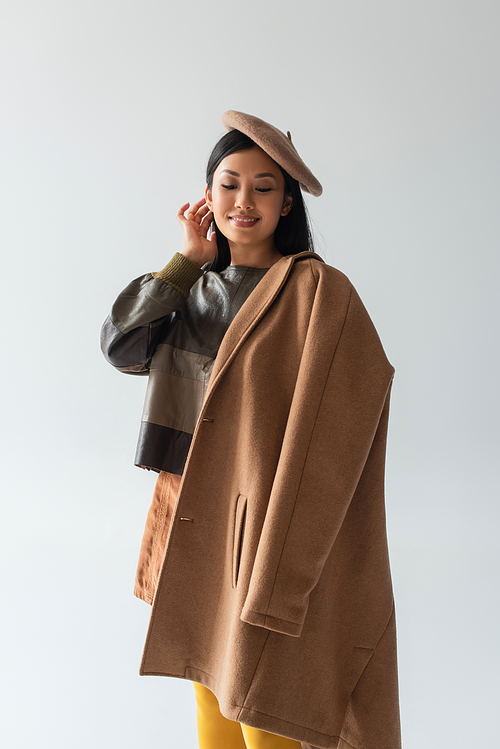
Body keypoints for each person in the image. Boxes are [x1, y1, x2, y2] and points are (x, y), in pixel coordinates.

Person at [101, 111, 402, 749]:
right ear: (207, 196)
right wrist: (186, 261)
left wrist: (288, 544)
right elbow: (122, 346)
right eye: (229, 183)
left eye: (264, 187)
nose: (245, 201)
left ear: (287, 200)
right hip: (187, 506)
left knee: (266, 702)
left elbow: (345, 421)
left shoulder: (317, 291)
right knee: (207, 687)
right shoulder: (191, 288)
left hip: (265, 522)